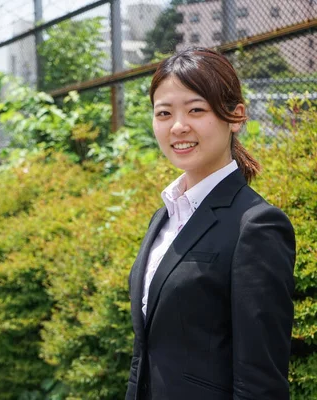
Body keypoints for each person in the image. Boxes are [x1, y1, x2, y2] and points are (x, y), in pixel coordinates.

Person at [126, 47, 296, 400]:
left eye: (196, 110)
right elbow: (146, 353)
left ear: (235, 116)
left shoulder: (257, 226)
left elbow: (261, 381)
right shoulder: (165, 216)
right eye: (164, 113)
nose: (177, 126)